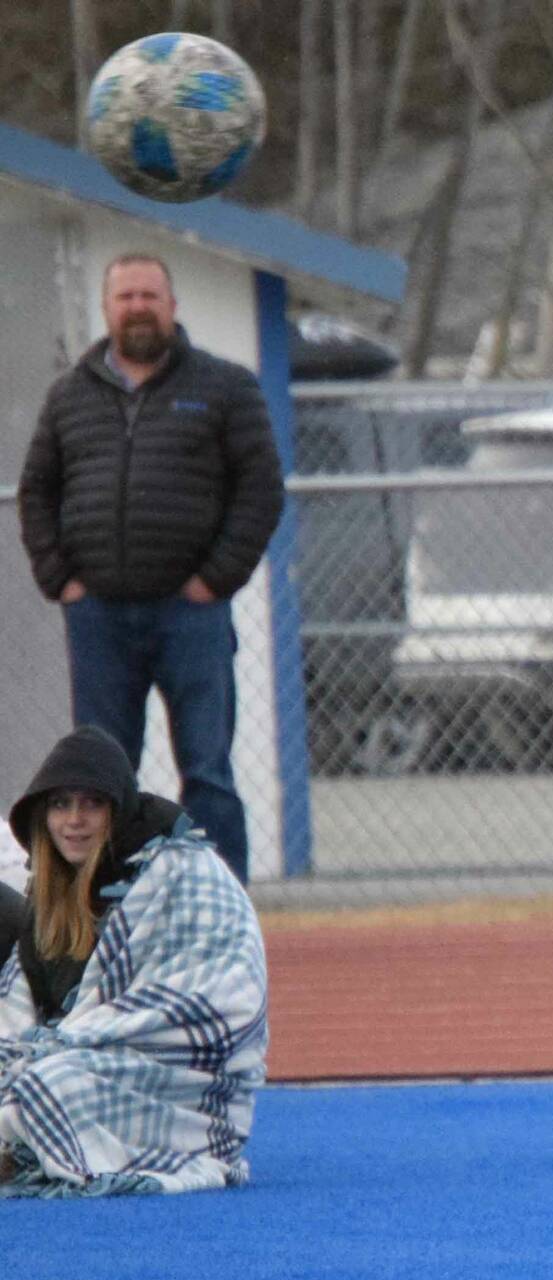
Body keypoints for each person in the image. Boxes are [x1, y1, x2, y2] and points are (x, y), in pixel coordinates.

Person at [17, 253, 285, 884]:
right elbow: (37, 491)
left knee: (207, 769)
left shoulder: (225, 387)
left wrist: (214, 579)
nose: (138, 306)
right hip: (99, 619)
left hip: (190, 614)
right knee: (101, 775)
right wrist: (63, 581)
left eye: (150, 295)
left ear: (172, 307)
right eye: (126, 296)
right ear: (108, 309)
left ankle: (223, 906)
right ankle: (103, 906)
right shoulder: (69, 394)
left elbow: (261, 490)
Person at [0, 725, 267, 1196]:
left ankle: (27, 1150)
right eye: (61, 805)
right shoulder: (49, 888)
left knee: (53, 1084)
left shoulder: (180, 869)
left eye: (91, 804)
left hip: (173, 1076)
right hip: (79, 1053)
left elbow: (219, 995)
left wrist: (63, 1044)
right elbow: (25, 1005)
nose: (74, 820)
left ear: (118, 809)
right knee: (31, 1076)